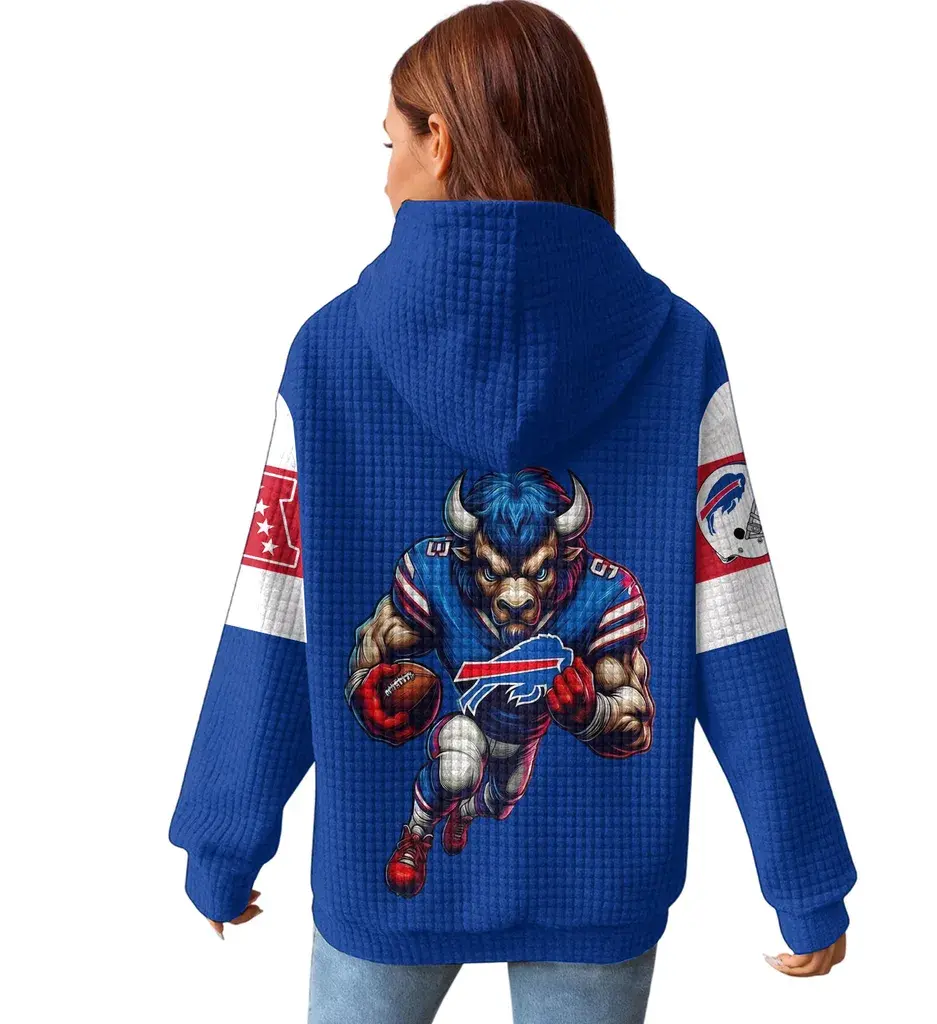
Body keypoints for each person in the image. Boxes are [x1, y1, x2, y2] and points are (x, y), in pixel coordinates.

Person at [170, 3, 855, 1021]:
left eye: (391, 145)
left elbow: (276, 612)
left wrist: (225, 838)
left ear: (440, 141)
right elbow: (737, 626)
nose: (384, 178)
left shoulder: (328, 355)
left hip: (383, 893)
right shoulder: (677, 351)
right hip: (595, 879)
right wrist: (804, 877)